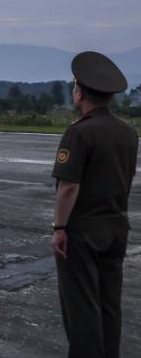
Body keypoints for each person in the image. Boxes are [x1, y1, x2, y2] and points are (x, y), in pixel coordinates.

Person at [51, 51, 137, 358]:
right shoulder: (128, 131)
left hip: (83, 230)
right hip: (116, 226)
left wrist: (60, 227)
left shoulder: (79, 132)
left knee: (82, 307)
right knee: (108, 304)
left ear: (79, 92)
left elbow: (68, 187)